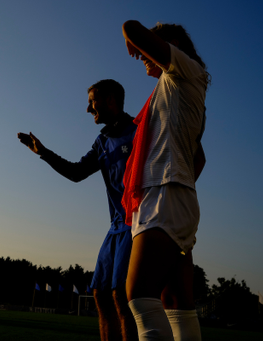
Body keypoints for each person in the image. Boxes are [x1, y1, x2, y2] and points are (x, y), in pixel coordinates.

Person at [18, 79, 138, 341]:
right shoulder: (102, 141)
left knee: (121, 294)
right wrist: (43, 152)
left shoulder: (139, 130)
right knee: (100, 294)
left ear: (110, 100)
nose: (87, 109)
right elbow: (76, 173)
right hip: (116, 226)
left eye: (92, 102)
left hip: (138, 223)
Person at [121, 20, 209, 341]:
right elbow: (199, 158)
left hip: (166, 194)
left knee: (140, 296)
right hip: (175, 195)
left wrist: (136, 37)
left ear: (171, 45)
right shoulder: (176, 88)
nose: (143, 56)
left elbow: (131, 27)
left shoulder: (184, 70)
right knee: (176, 305)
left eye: (150, 49)